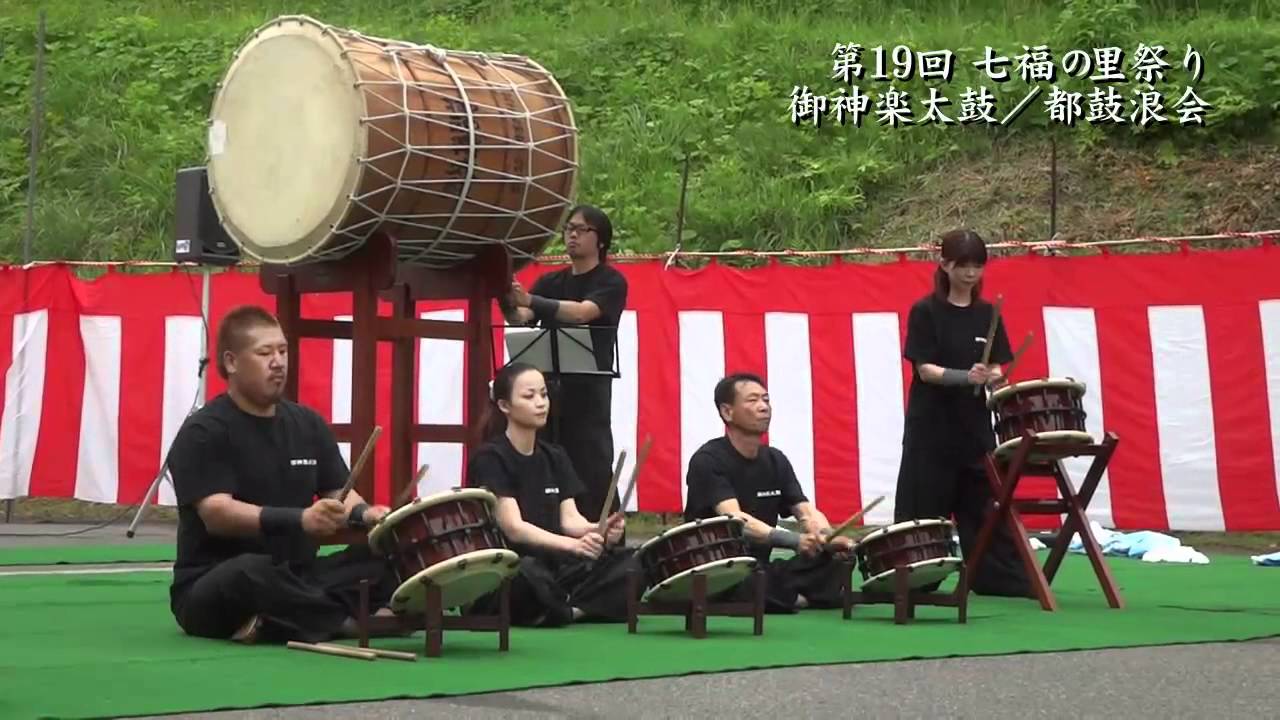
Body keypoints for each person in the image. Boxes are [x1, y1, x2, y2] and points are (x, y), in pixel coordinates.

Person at [166, 305, 398, 644]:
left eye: (283, 351)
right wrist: (301, 520)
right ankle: (347, 621)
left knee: (385, 558)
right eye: (264, 353)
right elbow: (217, 513)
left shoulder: (307, 423)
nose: (278, 362)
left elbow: (339, 492)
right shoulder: (204, 431)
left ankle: (279, 621)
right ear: (231, 362)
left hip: (298, 576)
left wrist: (368, 515)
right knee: (250, 571)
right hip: (215, 582)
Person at [894, 228, 1031, 597]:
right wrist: (963, 376)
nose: (971, 274)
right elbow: (925, 370)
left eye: (977, 266)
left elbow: (1002, 366)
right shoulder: (926, 311)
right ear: (945, 265)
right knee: (924, 506)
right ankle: (917, 577)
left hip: (974, 427)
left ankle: (995, 577)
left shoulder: (988, 313)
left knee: (984, 505)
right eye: (963, 266)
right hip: (932, 428)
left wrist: (991, 375)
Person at [465, 362, 634, 627]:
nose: (541, 403)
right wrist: (572, 545)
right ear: (504, 406)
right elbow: (514, 528)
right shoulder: (491, 457)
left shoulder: (555, 455)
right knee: (528, 573)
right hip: (511, 570)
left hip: (556, 570)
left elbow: (570, 521)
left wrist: (599, 530)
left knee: (633, 562)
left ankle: (564, 609)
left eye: (544, 394)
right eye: (529, 396)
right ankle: (572, 607)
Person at [683, 372, 854, 613]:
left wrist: (826, 536)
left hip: (760, 567)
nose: (763, 407)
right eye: (752, 401)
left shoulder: (775, 459)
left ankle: (790, 596)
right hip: (720, 568)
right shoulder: (708, 460)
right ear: (727, 412)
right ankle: (800, 596)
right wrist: (794, 541)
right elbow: (736, 520)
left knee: (838, 559)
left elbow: (804, 510)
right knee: (750, 582)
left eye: (766, 399)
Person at [500, 205, 628, 525]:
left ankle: (603, 537)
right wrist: (503, 292)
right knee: (546, 460)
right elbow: (520, 317)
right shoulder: (551, 281)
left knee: (590, 464)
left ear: (600, 240)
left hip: (588, 391)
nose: (572, 235)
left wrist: (531, 300)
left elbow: (583, 313)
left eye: (582, 230)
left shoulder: (611, 281)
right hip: (548, 390)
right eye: (569, 229)